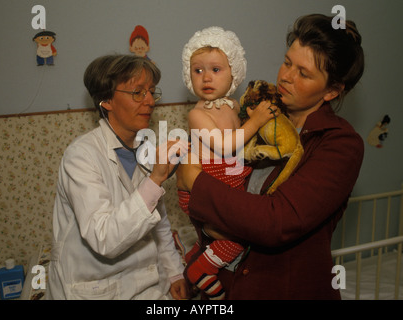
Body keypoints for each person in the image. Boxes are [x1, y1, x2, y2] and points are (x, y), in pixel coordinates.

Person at [176, 14, 365, 299]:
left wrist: (193, 178)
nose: (286, 76)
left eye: (304, 73)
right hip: (230, 286)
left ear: (332, 90)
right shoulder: (260, 114)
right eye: (287, 62)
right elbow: (226, 193)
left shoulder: (339, 144)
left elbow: (274, 222)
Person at [47, 54, 188, 300]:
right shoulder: (81, 157)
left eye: (151, 92)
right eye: (138, 92)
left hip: (146, 284)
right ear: (106, 100)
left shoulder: (145, 149)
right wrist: (155, 180)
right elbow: (105, 239)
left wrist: (174, 271)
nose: (150, 101)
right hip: (95, 288)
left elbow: (159, 222)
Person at [177, 26, 277, 299]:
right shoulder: (198, 115)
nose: (206, 77)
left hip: (228, 180)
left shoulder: (232, 105)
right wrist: (256, 121)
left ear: (234, 73)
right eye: (198, 70)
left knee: (222, 233)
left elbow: (242, 143)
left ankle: (198, 254)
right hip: (201, 187)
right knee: (236, 239)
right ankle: (205, 279)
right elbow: (226, 146)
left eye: (216, 69)